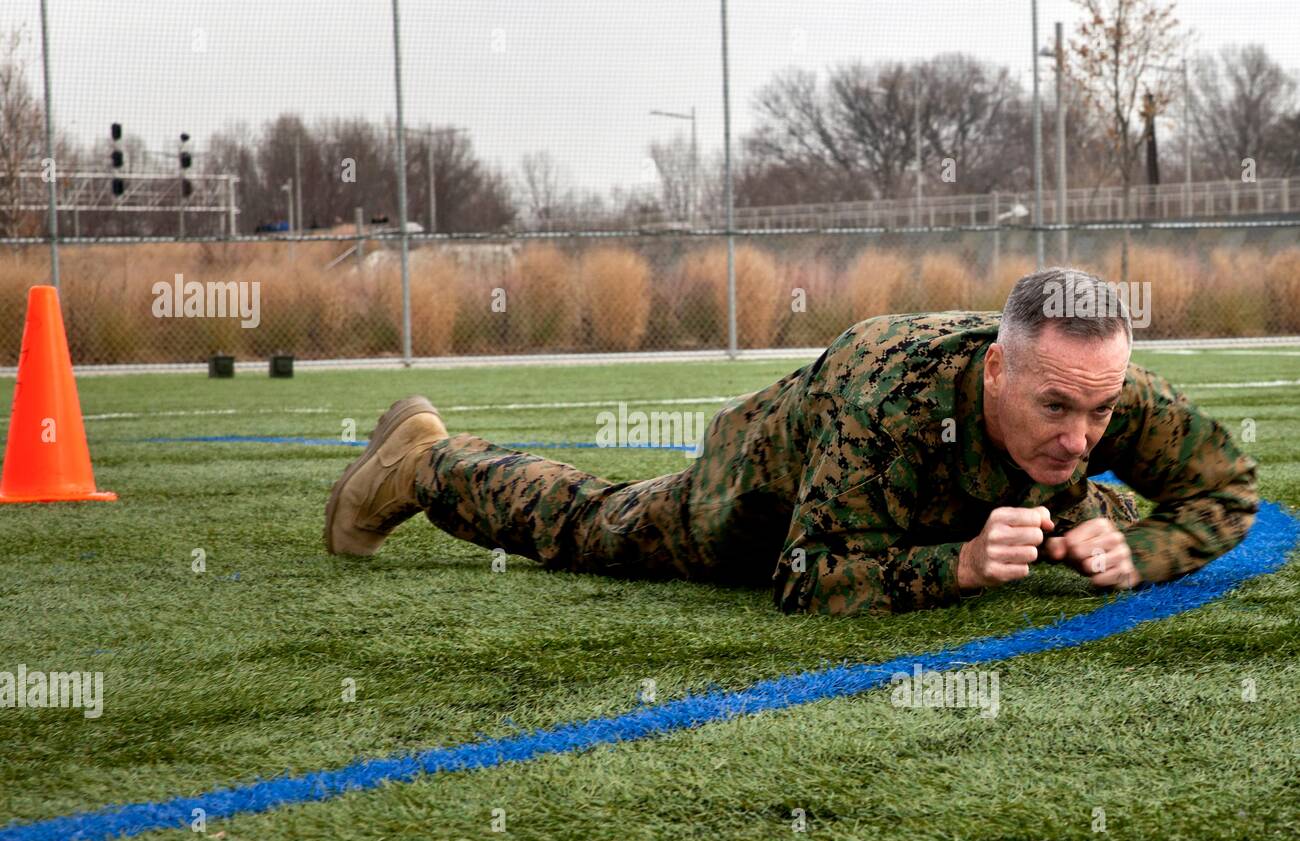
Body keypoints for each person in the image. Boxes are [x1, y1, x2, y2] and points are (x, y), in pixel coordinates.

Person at [324, 267, 1258, 615]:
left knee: (1084, 507)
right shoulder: (881, 400)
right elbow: (809, 580)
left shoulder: (1097, 382)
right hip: (763, 494)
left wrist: (1137, 546)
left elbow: (1225, 490)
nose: (1084, 432)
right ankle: (425, 460)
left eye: (1100, 414)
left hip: (965, 482)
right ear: (999, 374)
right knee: (597, 529)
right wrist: (961, 570)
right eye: (1058, 409)